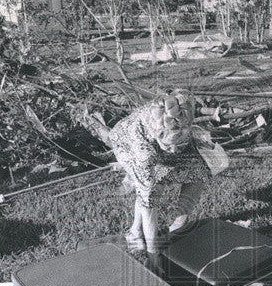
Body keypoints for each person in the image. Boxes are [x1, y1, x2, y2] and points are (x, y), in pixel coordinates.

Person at [96, 90, 224, 262]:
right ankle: (135, 232)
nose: (175, 152)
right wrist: (153, 253)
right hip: (124, 141)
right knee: (152, 187)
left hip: (158, 137)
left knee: (199, 171)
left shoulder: (181, 116)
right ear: (159, 138)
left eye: (179, 146)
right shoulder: (144, 151)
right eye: (170, 147)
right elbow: (149, 202)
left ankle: (178, 224)